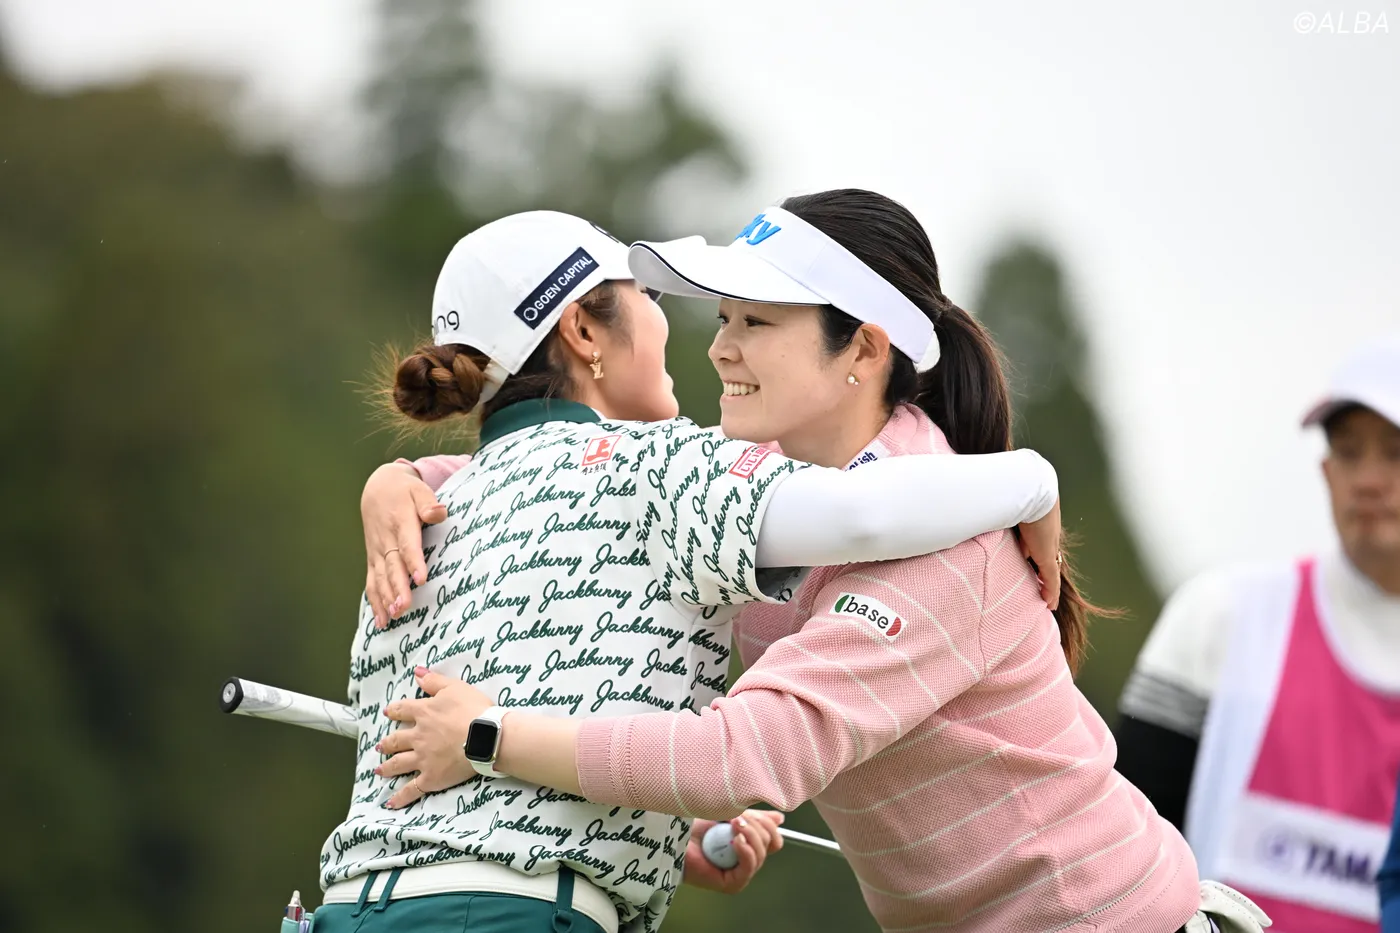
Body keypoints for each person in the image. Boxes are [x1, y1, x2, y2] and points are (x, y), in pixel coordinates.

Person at [372, 190, 1269, 933]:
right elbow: (585, 479)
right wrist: (402, 481)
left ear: (864, 349)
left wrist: (489, 737)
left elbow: (742, 758)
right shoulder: (761, 485)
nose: (720, 347)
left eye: (757, 321)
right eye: (723, 318)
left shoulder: (945, 545)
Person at [1117, 335, 1400, 932]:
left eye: (1395, 452)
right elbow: (1121, 868)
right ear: (1326, 473)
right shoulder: (1219, 618)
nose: (1369, 480)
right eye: (1349, 452)